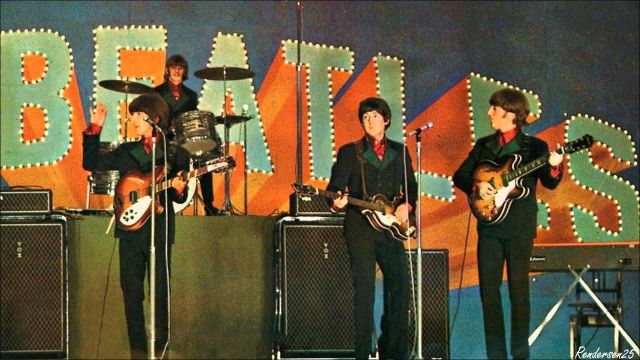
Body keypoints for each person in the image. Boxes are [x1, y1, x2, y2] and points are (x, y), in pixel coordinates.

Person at [453, 88, 564, 359]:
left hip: (519, 228)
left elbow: (549, 182)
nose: (489, 112)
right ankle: (496, 356)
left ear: (510, 113)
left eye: (494, 108)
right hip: (489, 227)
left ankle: (520, 353)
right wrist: (478, 186)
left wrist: (554, 165)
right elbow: (460, 176)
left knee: (519, 293)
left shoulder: (535, 147)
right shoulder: (484, 146)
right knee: (489, 294)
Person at [83, 93, 191, 359]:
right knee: (132, 297)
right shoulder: (125, 152)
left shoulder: (176, 154)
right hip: (130, 234)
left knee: (160, 298)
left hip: (160, 230)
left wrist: (179, 187)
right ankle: (138, 354)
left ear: (153, 118)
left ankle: (161, 352)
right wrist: (95, 128)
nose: (131, 119)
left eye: (135, 115)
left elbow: (178, 196)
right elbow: (91, 163)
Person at [327, 97, 417, 359]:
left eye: (375, 116)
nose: (369, 120)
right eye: (365, 117)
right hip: (360, 228)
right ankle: (362, 354)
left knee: (399, 286)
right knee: (364, 292)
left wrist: (406, 207)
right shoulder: (349, 151)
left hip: (391, 228)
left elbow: (411, 187)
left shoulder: (400, 151)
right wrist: (337, 202)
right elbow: (334, 187)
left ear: (386, 120)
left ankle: (394, 352)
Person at [154, 54, 222, 215]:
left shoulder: (191, 95)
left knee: (205, 160)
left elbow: (192, 116)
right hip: (167, 140)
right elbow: (154, 117)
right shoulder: (157, 92)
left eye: (180, 68)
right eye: (173, 67)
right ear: (167, 70)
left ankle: (209, 205)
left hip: (185, 140)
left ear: (184, 71)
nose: (177, 71)